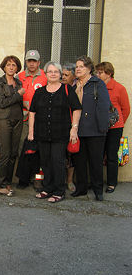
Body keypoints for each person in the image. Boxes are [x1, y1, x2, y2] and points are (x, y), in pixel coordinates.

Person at [29, 62, 82, 203]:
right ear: (45, 74)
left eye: (56, 71)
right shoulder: (39, 92)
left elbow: (77, 109)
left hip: (61, 134)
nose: (53, 74)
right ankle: (47, 188)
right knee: (45, 162)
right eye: (50, 71)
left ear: (60, 74)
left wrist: (74, 128)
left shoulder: (67, 90)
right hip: (42, 133)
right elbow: (32, 112)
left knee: (57, 162)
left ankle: (59, 191)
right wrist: (31, 132)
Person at [71, 56, 110, 201]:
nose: (78, 69)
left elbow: (104, 106)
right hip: (79, 130)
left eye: (81, 66)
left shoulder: (97, 83)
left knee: (95, 162)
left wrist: (102, 128)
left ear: (88, 69)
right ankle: (81, 188)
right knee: (79, 161)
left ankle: (98, 190)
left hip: (95, 130)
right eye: (77, 66)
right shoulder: (75, 85)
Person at [95, 61, 130, 193]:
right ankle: (96, 182)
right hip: (99, 126)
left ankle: (111, 183)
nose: (98, 75)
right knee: (97, 155)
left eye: (100, 72)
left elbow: (126, 109)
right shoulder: (97, 87)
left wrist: (119, 123)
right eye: (97, 72)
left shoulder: (119, 88)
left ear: (109, 74)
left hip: (115, 127)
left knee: (111, 155)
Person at [15, 50, 47, 190]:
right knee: (23, 148)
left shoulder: (46, 77)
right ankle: (24, 177)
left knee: (40, 151)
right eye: (29, 61)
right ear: (26, 62)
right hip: (23, 119)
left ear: (39, 62)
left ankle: (38, 178)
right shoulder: (19, 77)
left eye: (34, 61)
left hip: (41, 120)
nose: (32, 64)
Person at [0, 55, 24, 196]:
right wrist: (18, 94)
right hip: (4, 120)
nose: (11, 67)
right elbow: (2, 103)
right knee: (5, 154)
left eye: (14, 65)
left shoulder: (19, 83)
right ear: (4, 67)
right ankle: (0, 183)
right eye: (8, 65)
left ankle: (8, 182)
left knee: (13, 153)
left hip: (18, 119)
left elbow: (17, 102)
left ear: (17, 68)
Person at [62, 62, 77, 192]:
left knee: (71, 154)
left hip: (74, 124)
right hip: (61, 124)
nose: (63, 77)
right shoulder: (59, 87)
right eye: (63, 74)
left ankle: (70, 180)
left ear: (73, 76)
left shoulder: (78, 87)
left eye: (66, 75)